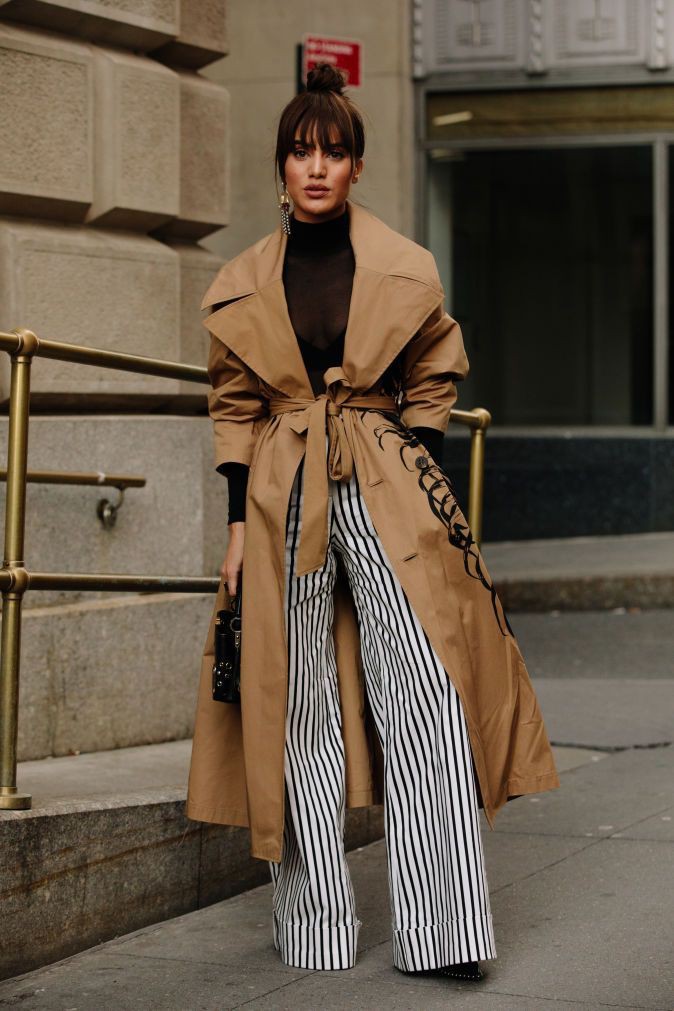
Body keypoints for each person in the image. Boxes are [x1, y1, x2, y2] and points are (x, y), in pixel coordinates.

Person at [185, 62, 560, 984]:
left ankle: (445, 929)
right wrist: (236, 526)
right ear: (281, 167)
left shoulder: (400, 264)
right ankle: (316, 926)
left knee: (425, 685)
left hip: (383, 474)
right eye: (301, 151)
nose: (317, 167)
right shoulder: (242, 281)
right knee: (294, 698)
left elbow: (438, 364)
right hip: (282, 486)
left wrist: (414, 452)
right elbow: (234, 405)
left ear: (357, 167)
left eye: (335, 151)